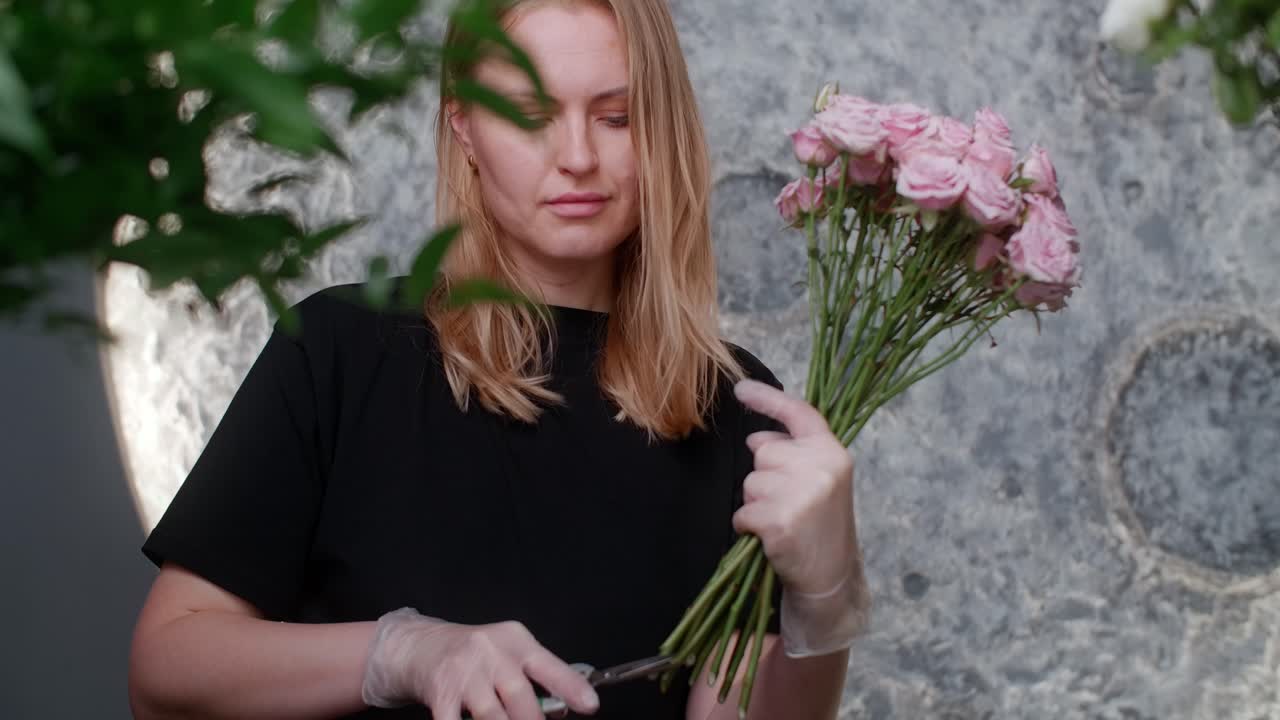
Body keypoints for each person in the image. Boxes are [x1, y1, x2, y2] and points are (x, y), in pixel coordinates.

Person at [126, 1, 869, 718]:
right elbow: (167, 672)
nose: (578, 158)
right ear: (465, 128)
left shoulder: (738, 409)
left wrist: (824, 605)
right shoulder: (334, 349)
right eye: (527, 114)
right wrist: (400, 655)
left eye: (618, 118)